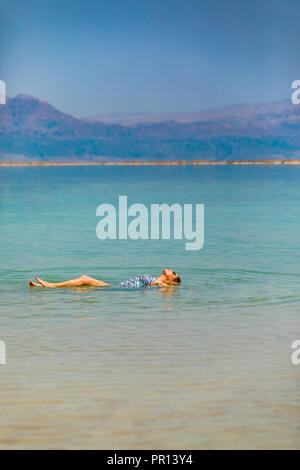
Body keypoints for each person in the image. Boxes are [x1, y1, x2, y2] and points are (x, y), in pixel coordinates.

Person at [29, 268, 181, 288]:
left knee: (84, 278)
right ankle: (41, 286)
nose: (171, 269)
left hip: (115, 290)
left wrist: (168, 287)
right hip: (115, 287)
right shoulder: (154, 279)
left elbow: (164, 288)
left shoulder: (158, 282)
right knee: (81, 288)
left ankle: (51, 286)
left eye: (173, 272)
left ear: (170, 279)